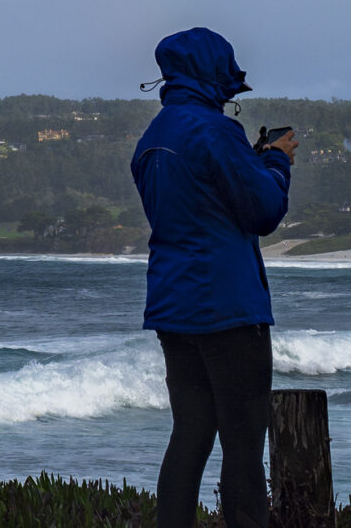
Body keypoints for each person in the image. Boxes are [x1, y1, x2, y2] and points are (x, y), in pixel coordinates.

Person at [131, 27, 298, 528]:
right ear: (213, 74)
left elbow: (196, 207)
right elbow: (263, 211)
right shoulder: (215, 132)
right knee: (244, 447)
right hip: (228, 306)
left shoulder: (152, 137)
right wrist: (274, 160)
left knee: (190, 435)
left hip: (172, 305)